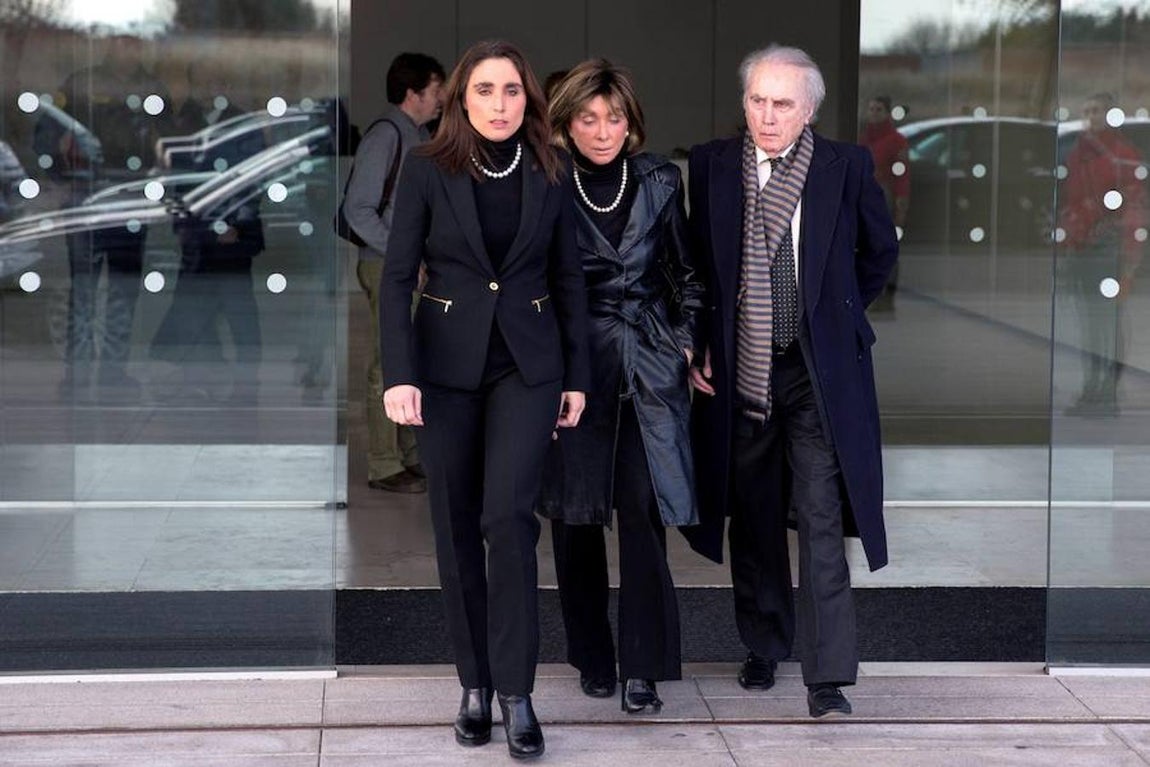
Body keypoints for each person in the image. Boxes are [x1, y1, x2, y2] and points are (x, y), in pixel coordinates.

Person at [380, 40, 590, 759]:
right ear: (461, 99)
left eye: (511, 91)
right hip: (443, 368)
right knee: (456, 524)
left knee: (509, 518)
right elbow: (396, 277)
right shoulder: (426, 167)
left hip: (527, 370)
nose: (499, 105)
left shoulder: (551, 167)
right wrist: (399, 374)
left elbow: (569, 279)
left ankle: (516, 692)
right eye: (484, 91)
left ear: (528, 98)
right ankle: (473, 684)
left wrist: (577, 376)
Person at [685, 45, 898, 718]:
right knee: (752, 516)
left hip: (814, 369)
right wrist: (700, 341)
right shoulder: (713, 165)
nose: (767, 115)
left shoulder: (845, 166)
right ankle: (764, 644)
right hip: (742, 366)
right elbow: (697, 265)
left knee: (819, 515)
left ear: (809, 111)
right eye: (757, 100)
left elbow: (880, 251)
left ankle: (827, 676)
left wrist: (839, 317)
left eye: (782, 103)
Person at [537, 59, 703, 714]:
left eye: (614, 118)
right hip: (573, 368)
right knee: (576, 518)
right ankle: (591, 655)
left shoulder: (660, 179)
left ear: (631, 122)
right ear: (566, 124)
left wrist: (684, 341)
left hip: (647, 365)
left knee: (642, 512)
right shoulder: (547, 181)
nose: (603, 132)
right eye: (588, 119)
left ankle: (643, 666)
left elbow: (688, 273)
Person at [346, 52, 445, 493]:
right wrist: (405, 253)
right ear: (413, 93)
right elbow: (358, 209)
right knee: (387, 363)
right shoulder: (385, 136)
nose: (441, 99)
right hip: (385, 264)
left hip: (406, 265)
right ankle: (384, 463)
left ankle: (408, 453)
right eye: (436, 90)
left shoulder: (417, 135)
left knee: (408, 359)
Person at [1059, 92, 1146, 416]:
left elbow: (1133, 209)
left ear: (1110, 115)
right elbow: (1070, 201)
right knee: (1089, 325)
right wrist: (1070, 237)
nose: (1090, 116)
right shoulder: (1078, 155)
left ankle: (1106, 392)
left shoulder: (1122, 155)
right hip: (1084, 248)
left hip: (1110, 250)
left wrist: (1130, 260)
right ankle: (1092, 389)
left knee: (1107, 324)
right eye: (1087, 110)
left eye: (1096, 110)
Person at [859, 95, 909, 311]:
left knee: (885, 247)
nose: (874, 113)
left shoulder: (896, 140)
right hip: (863, 196)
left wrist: (901, 202)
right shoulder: (863, 138)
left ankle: (886, 296)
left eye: (878, 109)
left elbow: (902, 175)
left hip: (883, 196)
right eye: (871, 109)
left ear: (887, 113)